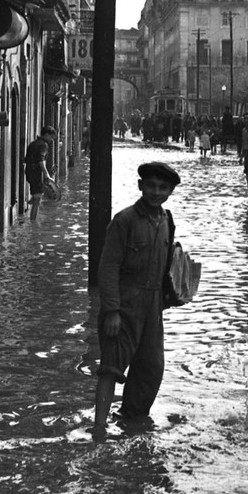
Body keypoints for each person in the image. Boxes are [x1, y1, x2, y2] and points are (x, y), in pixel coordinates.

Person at [93, 161, 183, 433]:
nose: (156, 192)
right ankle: (99, 430)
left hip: (154, 307)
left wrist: (175, 292)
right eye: (151, 186)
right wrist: (111, 311)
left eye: (163, 188)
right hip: (125, 303)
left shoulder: (167, 221)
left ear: (170, 192)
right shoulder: (124, 221)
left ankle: (131, 422)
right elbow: (107, 268)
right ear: (140, 186)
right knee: (111, 367)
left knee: (151, 369)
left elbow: (168, 264)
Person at [24, 125, 57, 220]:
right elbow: (41, 160)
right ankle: (33, 224)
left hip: (30, 173)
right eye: (51, 137)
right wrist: (46, 174)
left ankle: (32, 199)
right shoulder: (44, 145)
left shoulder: (33, 143)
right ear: (46, 134)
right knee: (37, 202)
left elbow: (27, 159)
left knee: (37, 195)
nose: (51, 140)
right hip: (36, 175)